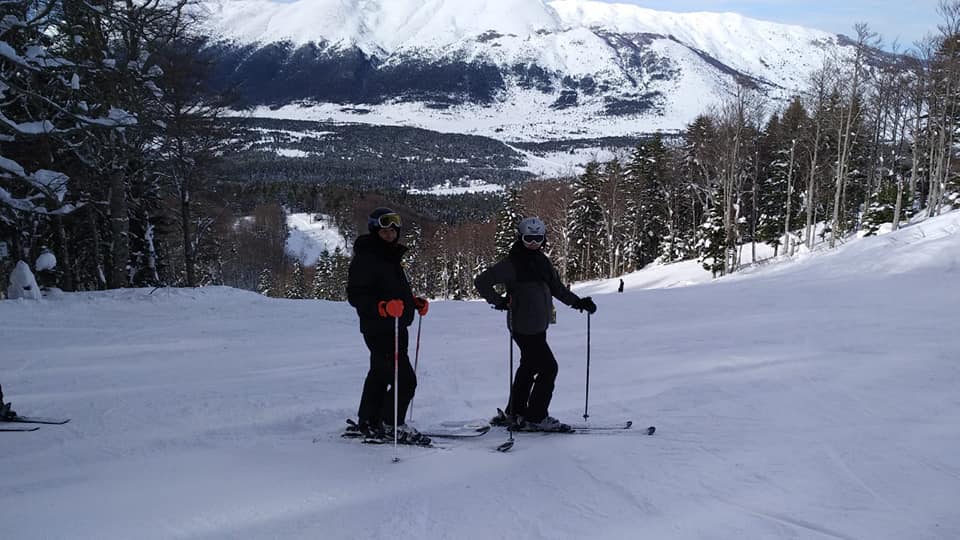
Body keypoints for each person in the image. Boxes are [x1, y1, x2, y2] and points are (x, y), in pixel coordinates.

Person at [474, 216, 597, 432]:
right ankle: (536, 417)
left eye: (537, 239)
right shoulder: (511, 263)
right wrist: (499, 301)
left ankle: (516, 412)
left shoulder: (542, 261)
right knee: (549, 368)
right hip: (522, 326)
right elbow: (482, 281)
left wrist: (578, 302)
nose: (533, 243)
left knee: (529, 366)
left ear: (543, 239)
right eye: (528, 239)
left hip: (539, 325)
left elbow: (557, 288)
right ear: (520, 238)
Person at [346, 207, 430, 443]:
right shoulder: (367, 258)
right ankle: (391, 424)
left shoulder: (390, 257)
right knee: (406, 380)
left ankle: (369, 420)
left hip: (396, 327)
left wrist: (413, 302)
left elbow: (393, 290)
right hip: (380, 329)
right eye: (384, 232)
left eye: (393, 231)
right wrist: (382, 308)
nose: (390, 235)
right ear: (374, 232)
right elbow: (356, 295)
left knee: (379, 375)